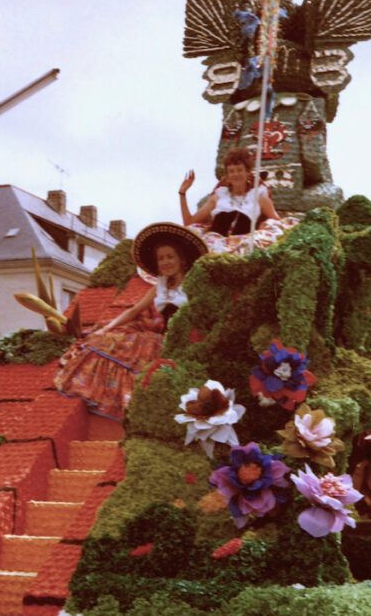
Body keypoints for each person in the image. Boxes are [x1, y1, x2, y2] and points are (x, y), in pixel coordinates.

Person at [53, 223, 206, 420]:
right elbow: (134, 310)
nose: (165, 262)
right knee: (104, 341)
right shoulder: (159, 286)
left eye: (170, 257)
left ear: (182, 260)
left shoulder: (193, 285)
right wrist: (105, 328)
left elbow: (202, 316)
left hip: (182, 340)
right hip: (160, 336)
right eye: (161, 259)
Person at [177, 147, 301, 255]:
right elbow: (188, 223)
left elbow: (279, 223)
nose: (236, 174)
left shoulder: (259, 197)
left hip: (242, 246)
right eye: (232, 171)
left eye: (239, 170)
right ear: (227, 176)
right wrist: (182, 193)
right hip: (215, 244)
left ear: (247, 172)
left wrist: (265, 225)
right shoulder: (218, 197)